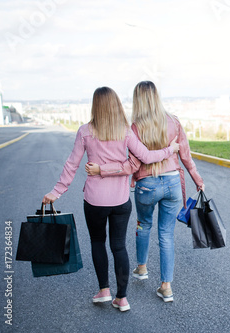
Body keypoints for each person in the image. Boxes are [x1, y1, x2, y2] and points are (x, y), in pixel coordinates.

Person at [42, 86, 180, 312]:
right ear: (116, 104)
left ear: (95, 106)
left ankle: (104, 291)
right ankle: (122, 299)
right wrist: (170, 149)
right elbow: (145, 157)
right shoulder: (125, 131)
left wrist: (57, 191)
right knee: (119, 247)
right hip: (120, 201)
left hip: (95, 201)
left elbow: (72, 164)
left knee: (98, 243)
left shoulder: (85, 131)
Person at [86, 81, 204, 303]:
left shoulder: (134, 127)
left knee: (143, 225)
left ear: (137, 100)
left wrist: (104, 170)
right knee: (166, 235)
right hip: (171, 183)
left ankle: (141, 268)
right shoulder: (174, 122)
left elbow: (132, 163)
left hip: (147, 185)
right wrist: (198, 179)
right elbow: (185, 155)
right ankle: (166, 288)